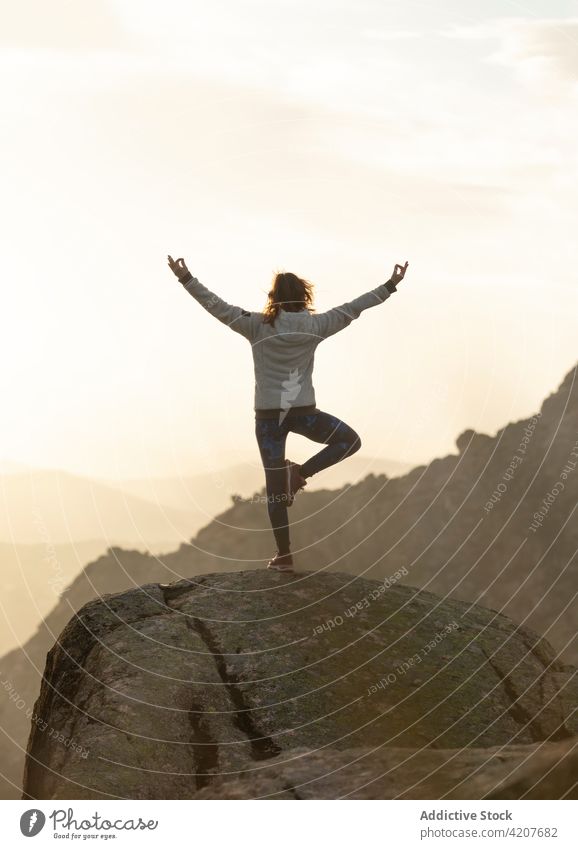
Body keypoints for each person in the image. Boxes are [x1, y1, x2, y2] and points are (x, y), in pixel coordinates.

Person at [168, 255, 409, 572]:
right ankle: (300, 474)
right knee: (350, 441)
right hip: (303, 413)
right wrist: (390, 285)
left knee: (274, 490)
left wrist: (186, 278)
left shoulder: (256, 326)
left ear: (274, 298)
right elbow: (355, 307)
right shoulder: (317, 325)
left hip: (269, 419)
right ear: (305, 296)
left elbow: (216, 306)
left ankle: (284, 555)